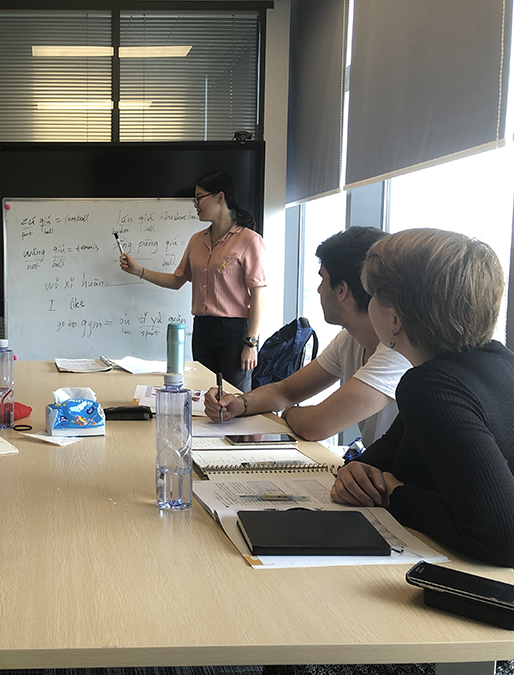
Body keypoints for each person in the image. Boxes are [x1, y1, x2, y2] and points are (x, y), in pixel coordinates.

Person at [331, 228, 514, 566]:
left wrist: (394, 495)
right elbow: (391, 449)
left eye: (372, 296)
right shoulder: (499, 360)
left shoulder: (429, 386)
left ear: (394, 319)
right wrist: (355, 470)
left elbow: (502, 536)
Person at [204, 227, 411, 447]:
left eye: (323, 279)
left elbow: (317, 425)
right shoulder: (349, 339)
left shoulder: (397, 353)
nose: (319, 290)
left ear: (341, 290)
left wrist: (289, 412)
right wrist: (239, 403)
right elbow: (286, 390)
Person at [119, 170, 265, 392]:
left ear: (220, 197)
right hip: (203, 329)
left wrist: (251, 342)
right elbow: (177, 280)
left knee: (235, 398)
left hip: (235, 332)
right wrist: (138, 271)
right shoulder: (197, 240)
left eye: (199, 198)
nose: (196, 205)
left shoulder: (249, 240)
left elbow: (258, 295)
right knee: (203, 394)